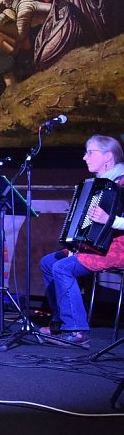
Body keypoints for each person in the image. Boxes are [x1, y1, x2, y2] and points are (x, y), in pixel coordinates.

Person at [39, 135, 124, 347]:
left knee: (62, 267)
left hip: (117, 248)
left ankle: (77, 331)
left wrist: (110, 220)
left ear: (108, 156)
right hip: (97, 247)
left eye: (90, 152)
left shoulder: (122, 181)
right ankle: (61, 322)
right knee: (48, 263)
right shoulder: (101, 184)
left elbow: (110, 221)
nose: (84, 157)